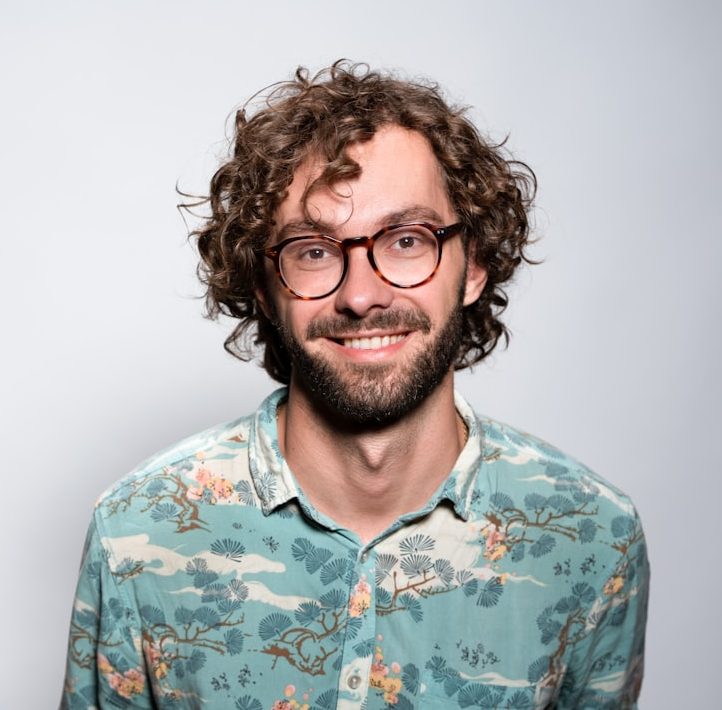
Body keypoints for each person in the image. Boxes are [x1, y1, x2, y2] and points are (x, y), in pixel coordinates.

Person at [61, 61, 649, 709]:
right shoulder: (139, 530)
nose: (362, 295)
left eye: (406, 239)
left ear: (474, 264)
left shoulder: (592, 537)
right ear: (263, 286)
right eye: (313, 250)